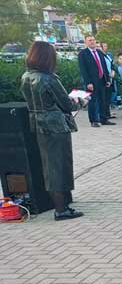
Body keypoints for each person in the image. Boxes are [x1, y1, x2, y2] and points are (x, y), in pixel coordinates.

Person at [20, 41, 83, 220]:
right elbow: (67, 103)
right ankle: (61, 208)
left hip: (38, 124)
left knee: (49, 165)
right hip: (55, 125)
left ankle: (60, 203)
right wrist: (80, 101)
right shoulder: (49, 79)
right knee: (59, 165)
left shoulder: (26, 76)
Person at [77, 35, 113, 127]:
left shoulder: (100, 53)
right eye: (90, 40)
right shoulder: (83, 54)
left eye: (93, 40)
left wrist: (107, 79)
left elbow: (104, 67)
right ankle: (93, 120)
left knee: (102, 100)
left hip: (102, 80)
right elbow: (83, 70)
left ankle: (103, 119)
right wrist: (88, 82)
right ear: (86, 42)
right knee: (92, 101)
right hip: (91, 81)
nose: (92, 42)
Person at [100, 42, 116, 119]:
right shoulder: (100, 56)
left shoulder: (108, 56)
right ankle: (105, 114)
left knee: (108, 97)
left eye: (106, 45)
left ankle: (108, 113)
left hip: (111, 78)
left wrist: (113, 71)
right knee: (104, 97)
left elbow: (112, 64)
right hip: (105, 78)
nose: (106, 47)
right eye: (104, 46)